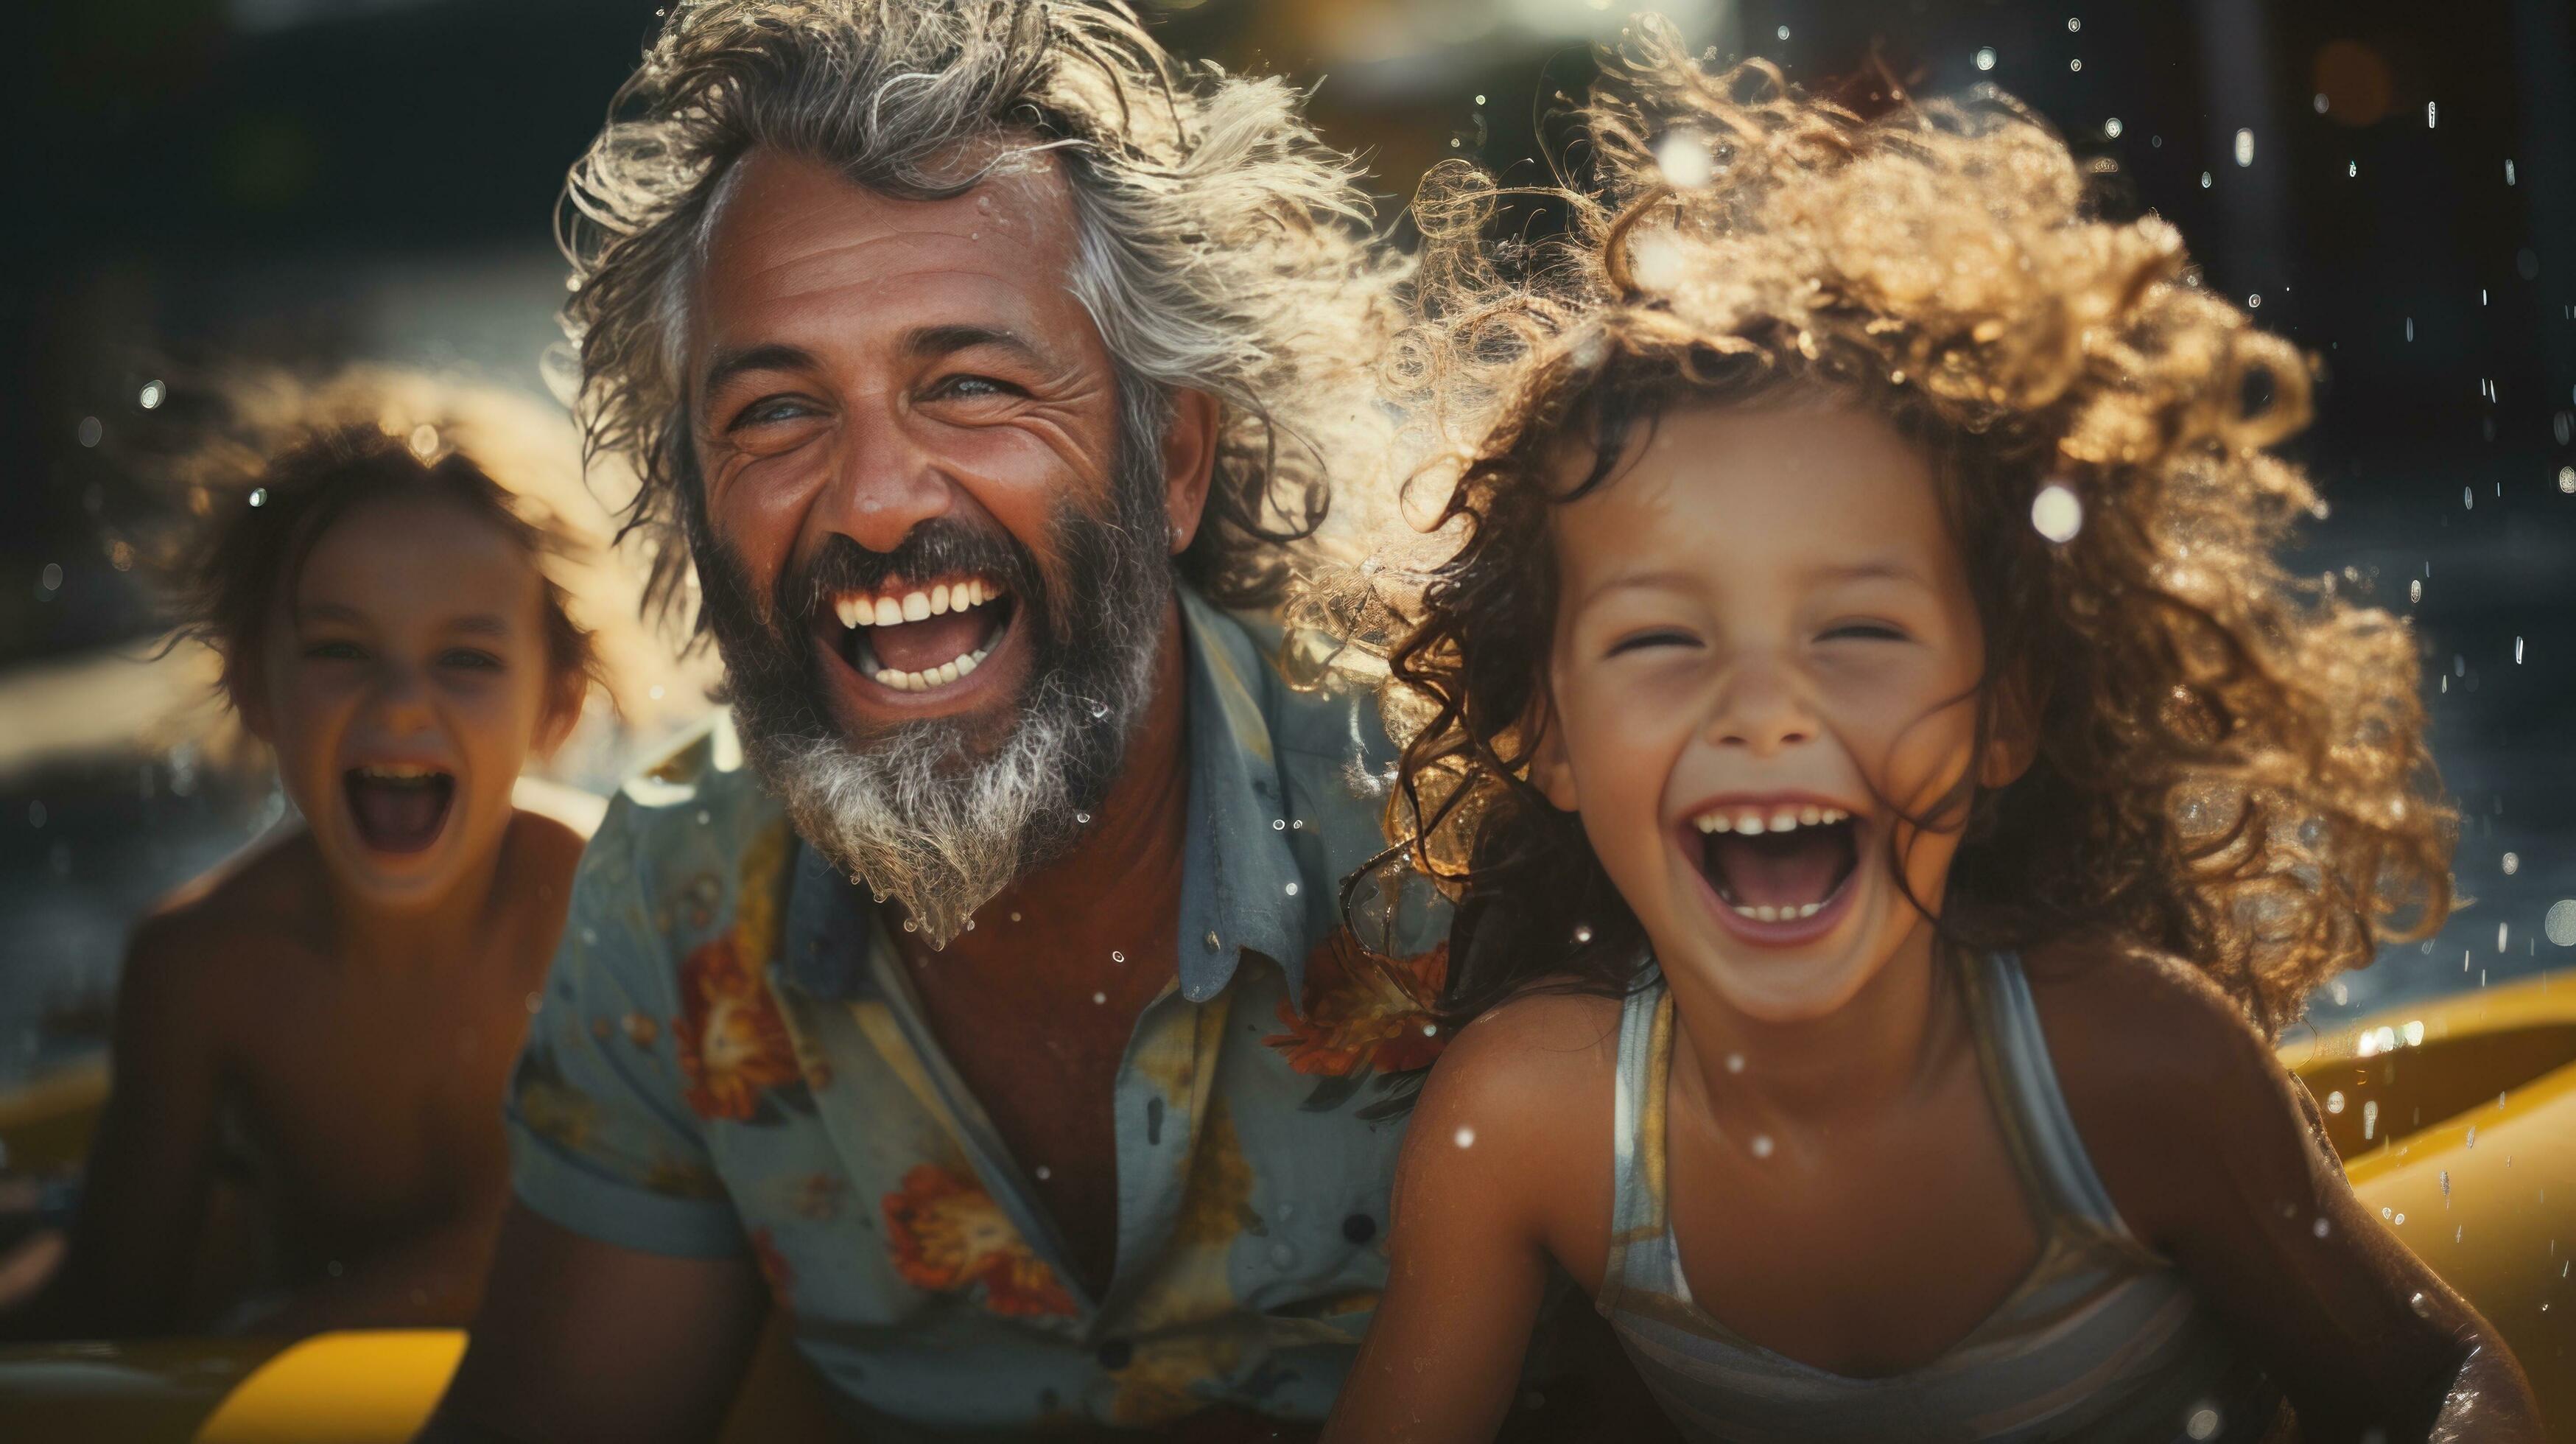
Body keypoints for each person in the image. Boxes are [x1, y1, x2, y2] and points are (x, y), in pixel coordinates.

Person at [423, 4, 1663, 1441]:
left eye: (972, 386)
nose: (878, 499)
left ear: (1175, 460)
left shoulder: (1474, 837)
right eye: (773, 413)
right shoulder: (673, 899)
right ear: (695, 510)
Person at [1323, 28, 2543, 1444]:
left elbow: (2436, 1382)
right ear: (1544, 734)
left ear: (2008, 713)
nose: (1766, 707)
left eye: (1857, 632)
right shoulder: (1529, 1126)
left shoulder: (2130, 1069)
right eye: (1662, 639)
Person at [2, 376, 608, 1339]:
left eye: (466, 659)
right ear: (253, 688)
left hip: (304, 1324)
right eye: (339, 650)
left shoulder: (608, 912)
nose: (402, 704)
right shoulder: (203, 967)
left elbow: (575, 1235)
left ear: (557, 706)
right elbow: (109, 1308)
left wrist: (272, 1341)